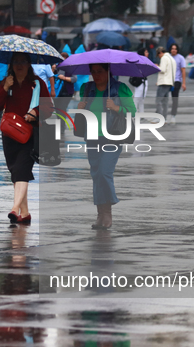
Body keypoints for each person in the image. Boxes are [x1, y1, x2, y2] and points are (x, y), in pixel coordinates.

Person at [0, 53, 52, 224]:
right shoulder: (7, 82)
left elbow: (49, 107)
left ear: (28, 64)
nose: (19, 65)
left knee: (21, 170)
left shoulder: (37, 83)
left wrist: (36, 112)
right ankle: (24, 213)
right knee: (15, 171)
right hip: (10, 134)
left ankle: (14, 208)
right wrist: (4, 89)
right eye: (16, 62)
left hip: (30, 134)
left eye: (23, 62)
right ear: (11, 64)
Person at [78, 64, 136, 229]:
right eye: (93, 72)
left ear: (109, 71)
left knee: (104, 172)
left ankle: (108, 211)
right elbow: (84, 114)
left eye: (100, 71)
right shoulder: (86, 88)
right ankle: (100, 214)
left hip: (112, 137)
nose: (96, 75)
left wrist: (117, 107)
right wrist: (80, 108)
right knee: (96, 175)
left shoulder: (120, 88)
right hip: (92, 137)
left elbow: (133, 112)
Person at [155, 46, 176, 121]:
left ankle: (159, 118)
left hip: (163, 82)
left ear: (160, 52)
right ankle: (164, 118)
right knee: (165, 102)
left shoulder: (164, 58)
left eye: (158, 55)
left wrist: (157, 66)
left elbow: (162, 70)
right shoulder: (172, 59)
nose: (159, 57)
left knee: (158, 101)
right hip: (170, 82)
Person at [169, 43, 186, 125]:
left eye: (175, 49)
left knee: (174, 99)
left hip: (176, 81)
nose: (173, 50)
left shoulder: (180, 58)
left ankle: (173, 115)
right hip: (167, 81)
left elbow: (183, 70)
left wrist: (184, 83)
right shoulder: (167, 57)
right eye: (172, 49)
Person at [133, 47, 150, 115]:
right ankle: (133, 113)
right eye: (146, 52)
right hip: (140, 82)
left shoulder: (145, 60)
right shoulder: (140, 61)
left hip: (143, 82)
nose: (147, 53)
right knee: (137, 98)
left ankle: (141, 114)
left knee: (141, 100)